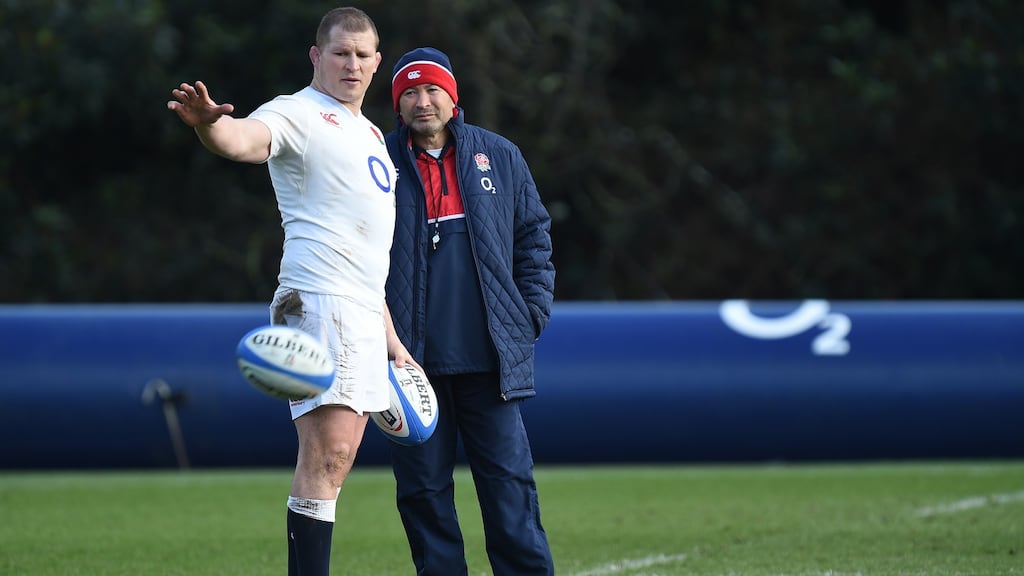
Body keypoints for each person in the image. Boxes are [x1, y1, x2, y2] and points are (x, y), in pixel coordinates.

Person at [166, 8, 408, 576]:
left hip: (360, 309)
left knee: (338, 458)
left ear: (376, 62)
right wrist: (209, 124)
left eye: (362, 54)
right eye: (340, 52)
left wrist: (390, 338)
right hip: (320, 299)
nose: (352, 64)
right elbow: (244, 139)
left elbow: (368, 252)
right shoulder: (297, 112)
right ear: (316, 56)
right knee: (327, 456)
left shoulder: (372, 135)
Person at [384, 47, 557, 575]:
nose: (422, 101)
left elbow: (534, 238)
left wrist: (529, 315)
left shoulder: (499, 155)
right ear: (397, 103)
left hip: (490, 361)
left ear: (453, 95)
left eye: (433, 88)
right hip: (408, 367)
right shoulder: (375, 159)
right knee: (422, 496)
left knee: (509, 491)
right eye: (409, 92)